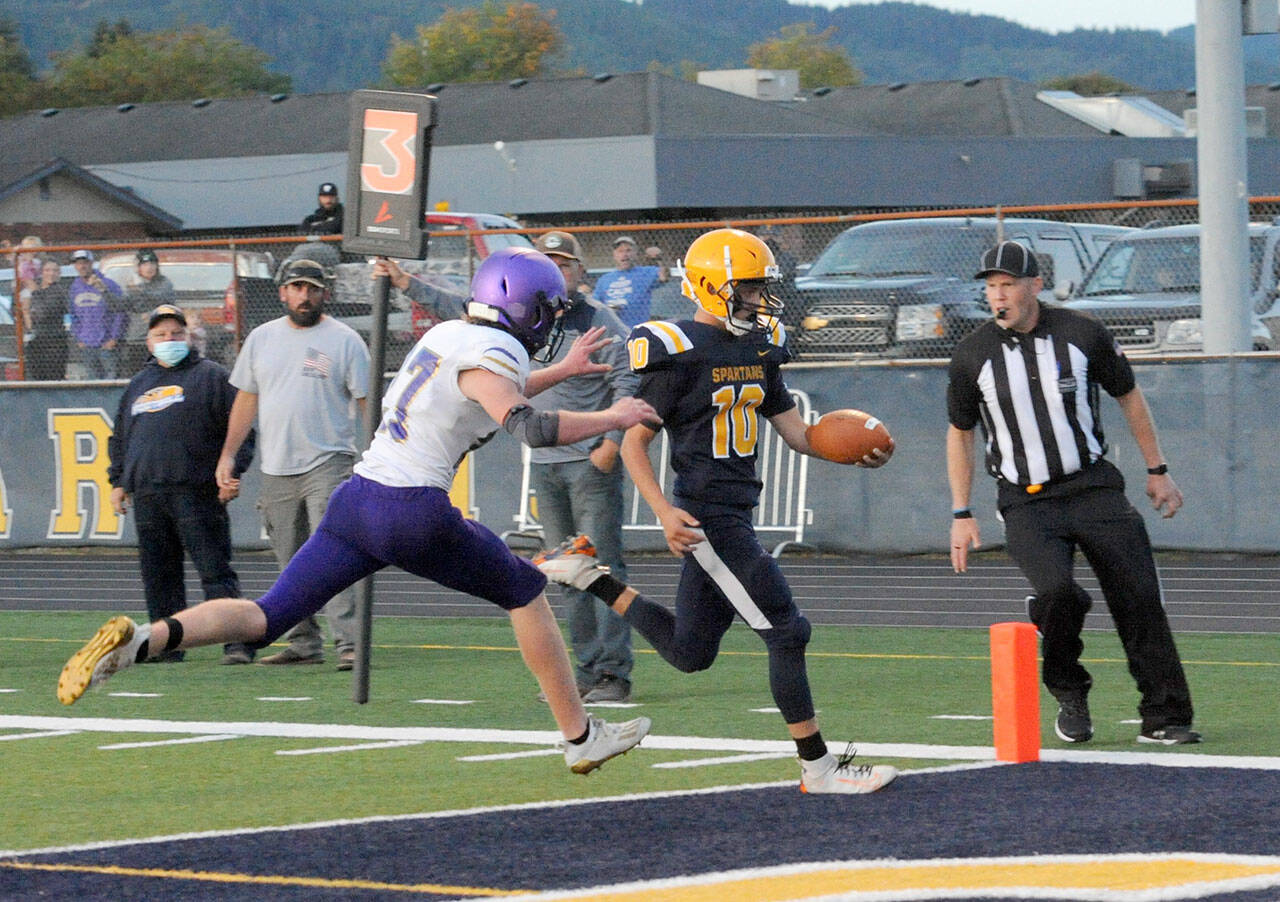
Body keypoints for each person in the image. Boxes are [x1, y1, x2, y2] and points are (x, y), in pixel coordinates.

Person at [58, 247, 657, 777]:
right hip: (411, 508)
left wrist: (566, 370)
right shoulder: (496, 353)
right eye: (546, 310)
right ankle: (581, 737)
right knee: (524, 592)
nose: (551, 321)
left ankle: (140, 639)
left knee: (268, 617)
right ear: (525, 308)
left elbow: (482, 387)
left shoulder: (448, 336)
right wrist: (615, 416)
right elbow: (531, 425)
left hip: (357, 500)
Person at [536, 228, 898, 794]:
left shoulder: (758, 345)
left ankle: (588, 576)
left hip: (736, 512)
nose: (759, 300)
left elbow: (796, 433)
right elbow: (633, 443)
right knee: (787, 632)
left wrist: (847, 451)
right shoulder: (678, 352)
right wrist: (662, 511)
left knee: (690, 652)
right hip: (708, 516)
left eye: (760, 288)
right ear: (711, 286)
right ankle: (819, 768)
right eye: (748, 289)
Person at [946, 240, 1199, 746]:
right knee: (1059, 594)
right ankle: (1069, 689)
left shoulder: (1082, 333)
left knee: (1139, 596)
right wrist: (961, 511)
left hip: (1092, 487)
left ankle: (1165, 716)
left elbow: (1127, 394)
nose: (999, 296)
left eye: (1008, 285)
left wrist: (1157, 468)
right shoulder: (972, 354)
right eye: (991, 287)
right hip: (1026, 498)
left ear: (1034, 286)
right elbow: (960, 431)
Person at [216, 258, 369, 669]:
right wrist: (228, 455)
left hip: (329, 461)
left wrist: (377, 454)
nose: (305, 295)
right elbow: (246, 399)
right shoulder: (262, 339)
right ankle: (303, 642)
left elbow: (366, 402)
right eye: (297, 287)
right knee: (291, 560)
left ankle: (349, 643)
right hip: (277, 466)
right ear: (283, 292)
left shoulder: (345, 340)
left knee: (334, 553)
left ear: (325, 294)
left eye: (313, 288)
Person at [107, 304, 257, 663]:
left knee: (214, 570)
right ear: (149, 341)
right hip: (148, 494)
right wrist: (118, 481)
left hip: (197, 491)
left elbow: (241, 430)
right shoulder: (138, 385)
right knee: (159, 576)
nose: (169, 339)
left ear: (189, 337)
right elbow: (121, 438)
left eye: (176, 333)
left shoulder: (212, 376)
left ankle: (236, 642)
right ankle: (166, 646)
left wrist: (233, 471)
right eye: (161, 335)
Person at [527, 230, 638, 703]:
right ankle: (588, 669)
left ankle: (614, 673)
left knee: (602, 567)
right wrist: (407, 283)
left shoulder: (598, 317)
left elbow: (629, 375)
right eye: (546, 265)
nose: (555, 272)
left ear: (579, 272)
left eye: (563, 264)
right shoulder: (526, 319)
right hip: (547, 462)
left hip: (588, 462)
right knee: (565, 572)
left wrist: (612, 440)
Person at [68, 249, 126, 379]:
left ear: (91, 263)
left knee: (111, 381)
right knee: (92, 382)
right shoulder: (74, 288)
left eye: (85, 262)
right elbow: (73, 315)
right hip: (87, 345)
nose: (82, 266)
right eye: (78, 263)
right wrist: (79, 338)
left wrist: (114, 338)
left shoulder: (109, 285)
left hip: (107, 344)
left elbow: (120, 312)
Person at [591, 235, 669, 329]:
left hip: (637, 329)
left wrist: (659, 258)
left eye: (628, 250)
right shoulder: (604, 279)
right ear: (614, 255)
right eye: (620, 251)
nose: (624, 254)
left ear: (635, 253)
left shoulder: (645, 272)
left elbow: (664, 276)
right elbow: (595, 305)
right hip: (612, 331)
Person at [119, 249, 177, 374]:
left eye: (152, 263)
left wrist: (141, 292)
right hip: (137, 339)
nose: (149, 267)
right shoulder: (133, 285)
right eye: (144, 264)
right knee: (137, 374)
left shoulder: (164, 283)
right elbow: (122, 305)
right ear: (138, 267)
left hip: (160, 339)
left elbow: (164, 300)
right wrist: (104, 291)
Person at [25, 258, 69, 381]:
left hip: (54, 342)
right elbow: (25, 311)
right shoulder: (38, 291)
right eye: (47, 270)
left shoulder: (59, 291)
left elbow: (43, 312)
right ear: (42, 272)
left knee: (53, 377)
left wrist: (35, 293)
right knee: (36, 376)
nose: (51, 273)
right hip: (36, 341)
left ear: (59, 273)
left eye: (55, 270)